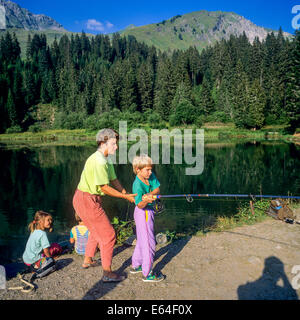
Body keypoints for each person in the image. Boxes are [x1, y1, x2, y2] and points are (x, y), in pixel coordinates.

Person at [72, 128, 136, 282]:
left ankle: (88, 259)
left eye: (116, 143)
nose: (116, 147)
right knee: (108, 235)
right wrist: (123, 196)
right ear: (103, 143)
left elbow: (113, 180)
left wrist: (126, 193)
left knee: (95, 230)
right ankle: (107, 273)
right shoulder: (99, 161)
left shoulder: (106, 158)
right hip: (86, 200)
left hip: (84, 199)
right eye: (113, 144)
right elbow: (104, 188)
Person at [130, 154, 164, 282]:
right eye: (147, 170)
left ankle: (136, 265)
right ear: (138, 169)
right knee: (149, 243)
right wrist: (145, 200)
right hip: (142, 212)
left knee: (141, 240)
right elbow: (139, 204)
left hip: (148, 211)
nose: (150, 172)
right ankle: (147, 273)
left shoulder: (150, 176)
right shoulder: (137, 185)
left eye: (151, 169)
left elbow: (157, 189)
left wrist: (149, 194)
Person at [22, 211, 56, 276]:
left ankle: (33, 266)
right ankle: (35, 266)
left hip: (26, 259)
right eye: (48, 220)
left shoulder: (34, 230)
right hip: (33, 260)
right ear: (40, 222)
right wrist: (51, 259)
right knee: (54, 250)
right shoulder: (43, 234)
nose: (50, 222)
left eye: (50, 220)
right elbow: (46, 251)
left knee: (51, 248)